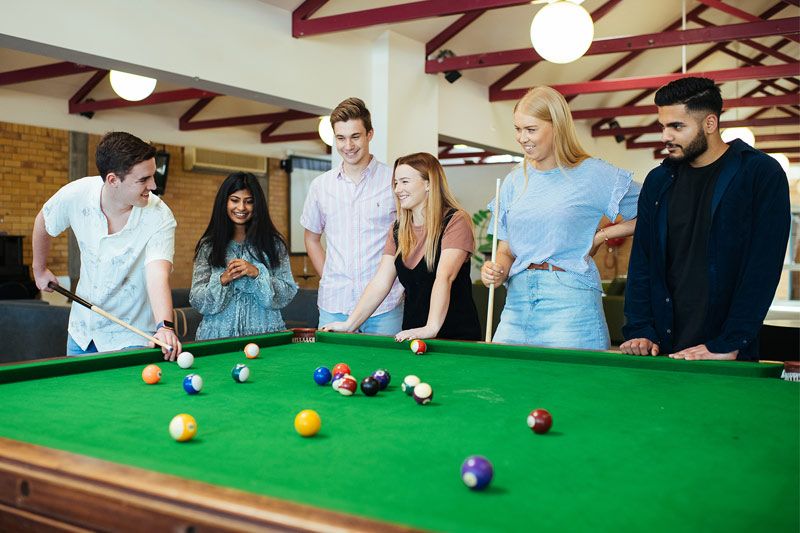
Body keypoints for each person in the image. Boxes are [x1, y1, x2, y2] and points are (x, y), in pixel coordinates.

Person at [621, 77, 790, 361]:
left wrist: (731, 342)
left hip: (724, 349)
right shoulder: (658, 181)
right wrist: (640, 329)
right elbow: (643, 262)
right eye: (663, 126)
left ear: (710, 123)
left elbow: (762, 267)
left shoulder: (760, 174)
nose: (665, 136)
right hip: (660, 348)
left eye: (677, 126)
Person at [481, 86, 640, 350]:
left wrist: (601, 235)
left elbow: (655, 208)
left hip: (570, 305)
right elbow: (506, 249)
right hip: (516, 305)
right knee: (502, 375)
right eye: (518, 129)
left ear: (557, 127)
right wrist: (495, 270)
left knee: (571, 379)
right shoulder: (513, 180)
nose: (522, 138)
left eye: (531, 129)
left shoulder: (592, 173)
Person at [32, 131, 181, 359]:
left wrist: (165, 326)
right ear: (113, 180)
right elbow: (44, 220)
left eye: (153, 176)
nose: (153, 185)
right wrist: (39, 269)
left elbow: (157, 275)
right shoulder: (77, 194)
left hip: (132, 335)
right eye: (143, 179)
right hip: (82, 333)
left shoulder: (159, 215)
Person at [323, 152, 481, 341]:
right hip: (412, 334)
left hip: (455, 335)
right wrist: (349, 324)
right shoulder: (398, 229)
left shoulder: (455, 221)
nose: (398, 190)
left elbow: (444, 277)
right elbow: (381, 282)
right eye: (396, 183)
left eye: (405, 182)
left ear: (429, 183)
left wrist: (430, 328)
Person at [301, 97, 404, 334]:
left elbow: (409, 237)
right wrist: (328, 276)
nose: (348, 146)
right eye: (341, 138)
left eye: (355, 136)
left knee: (383, 361)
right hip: (334, 304)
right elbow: (311, 238)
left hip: (385, 307)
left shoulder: (394, 181)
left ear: (370, 134)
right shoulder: (320, 186)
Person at [189, 172, 297, 340]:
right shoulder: (209, 246)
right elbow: (196, 299)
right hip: (217, 337)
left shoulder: (274, 244)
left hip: (265, 335)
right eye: (235, 200)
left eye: (249, 201)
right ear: (224, 202)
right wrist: (223, 279)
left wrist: (257, 273)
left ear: (257, 205)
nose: (241, 208)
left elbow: (287, 292)